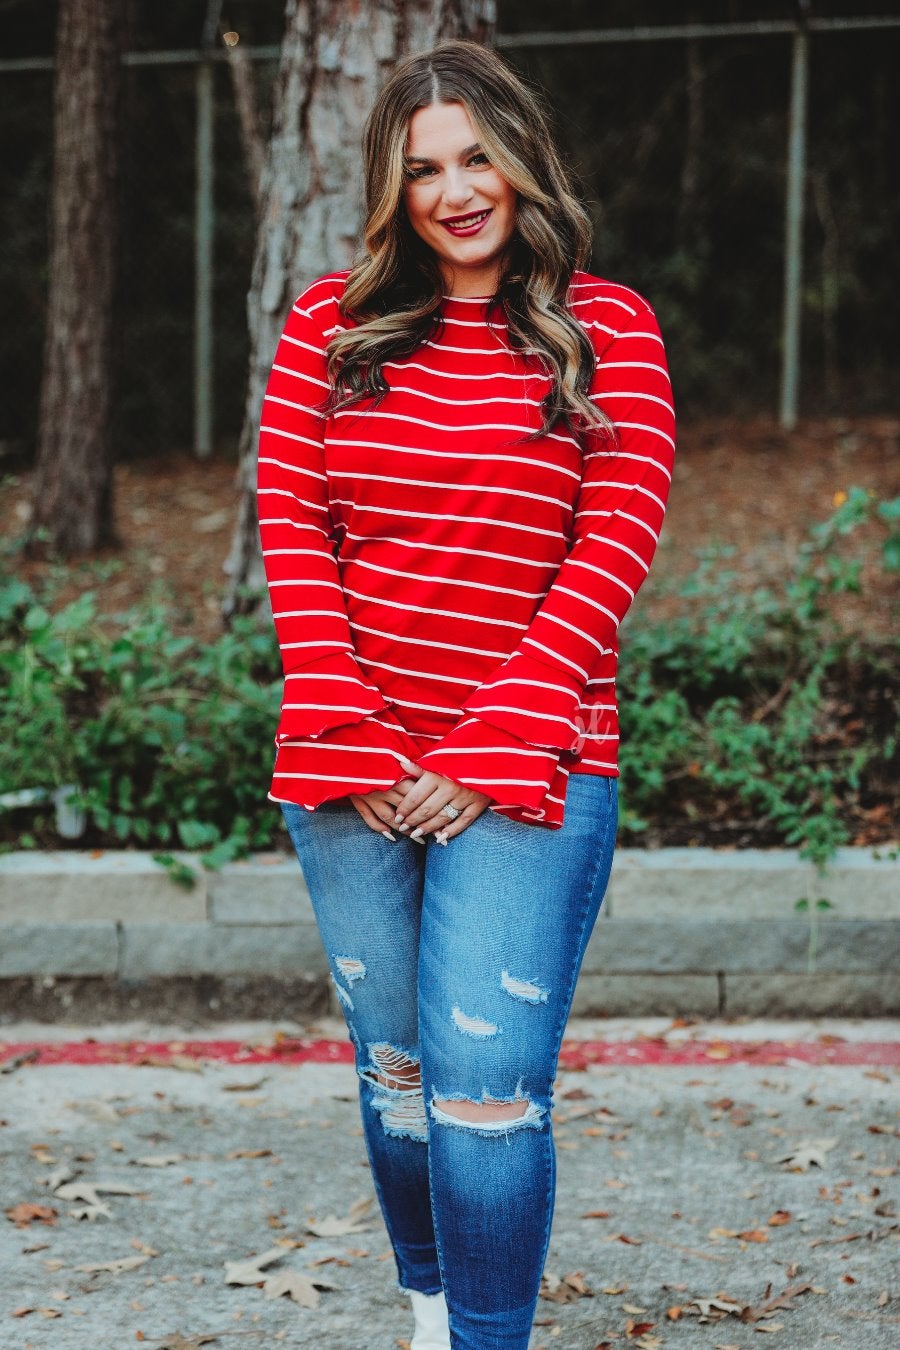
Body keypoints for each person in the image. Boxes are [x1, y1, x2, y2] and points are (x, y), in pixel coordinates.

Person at [257, 38, 675, 1350]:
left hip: (535, 767)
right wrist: (361, 737)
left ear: (521, 161)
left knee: (486, 1095)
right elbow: (292, 530)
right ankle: (434, 1314)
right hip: (350, 770)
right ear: (394, 188)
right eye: (424, 168)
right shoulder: (331, 325)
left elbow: (612, 550)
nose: (455, 190)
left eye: (476, 156)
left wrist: (487, 746)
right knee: (395, 1079)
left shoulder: (606, 329)